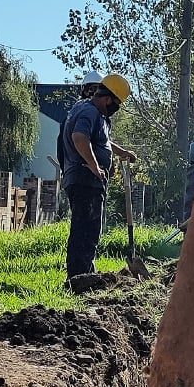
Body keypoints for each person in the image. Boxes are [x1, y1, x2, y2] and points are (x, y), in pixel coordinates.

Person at [59, 73, 138, 286]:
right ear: (107, 98)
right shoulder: (88, 112)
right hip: (85, 179)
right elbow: (79, 137)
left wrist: (122, 153)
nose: (116, 108)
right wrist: (95, 167)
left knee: (90, 229)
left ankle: (86, 274)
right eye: (117, 104)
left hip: (88, 180)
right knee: (85, 230)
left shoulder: (95, 114)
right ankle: (78, 279)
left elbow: (102, 141)